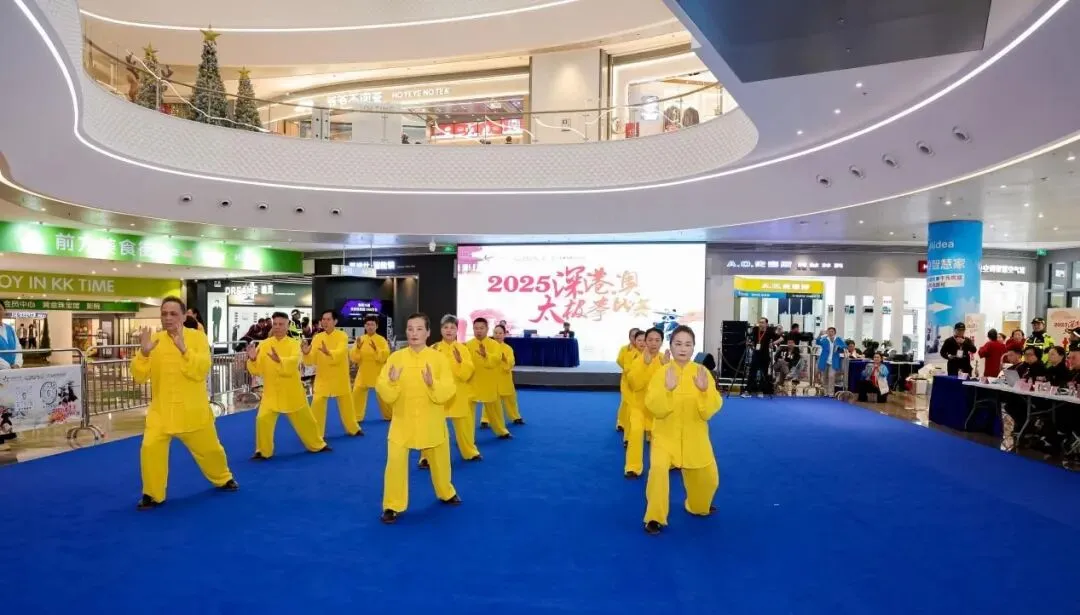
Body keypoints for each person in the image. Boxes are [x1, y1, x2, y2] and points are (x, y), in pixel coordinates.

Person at [131, 296, 237, 510]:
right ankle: (152, 494)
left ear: (183, 315)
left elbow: (201, 370)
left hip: (192, 410)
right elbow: (139, 376)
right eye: (164, 314)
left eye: (173, 314)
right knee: (150, 448)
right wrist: (143, 353)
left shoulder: (197, 338)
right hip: (161, 412)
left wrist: (184, 350)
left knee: (210, 450)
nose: (168, 318)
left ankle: (223, 478)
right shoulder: (154, 341)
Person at [376, 313, 461, 524]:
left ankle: (446, 492)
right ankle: (392, 505)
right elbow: (383, 389)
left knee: (440, 462)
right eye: (410, 329)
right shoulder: (396, 358)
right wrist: (392, 383)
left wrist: (432, 384)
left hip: (431, 420)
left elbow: (449, 390)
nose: (414, 333)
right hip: (402, 421)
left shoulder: (438, 359)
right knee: (395, 463)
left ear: (428, 332)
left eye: (419, 329)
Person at [642, 325, 721, 535]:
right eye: (678, 344)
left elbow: (709, 411)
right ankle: (654, 517)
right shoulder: (661, 373)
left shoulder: (702, 373)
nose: (683, 348)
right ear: (671, 346)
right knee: (658, 471)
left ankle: (696, 505)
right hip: (665, 436)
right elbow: (654, 407)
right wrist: (667, 390)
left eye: (688, 344)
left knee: (709, 479)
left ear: (694, 347)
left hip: (696, 437)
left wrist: (704, 391)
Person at [247, 312, 330, 460]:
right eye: (275, 324)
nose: (277, 327)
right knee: (262, 419)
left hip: (292, 391)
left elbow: (293, 363)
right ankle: (263, 451)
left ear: (287, 326)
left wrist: (280, 361)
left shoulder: (294, 344)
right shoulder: (264, 344)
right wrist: (253, 359)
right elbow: (257, 370)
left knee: (307, 420)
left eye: (281, 324)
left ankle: (318, 444)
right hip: (271, 392)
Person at [423, 315, 481, 464]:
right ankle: (426, 457)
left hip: (458, 392)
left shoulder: (463, 349)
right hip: (438, 393)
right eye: (445, 327)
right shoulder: (433, 348)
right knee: (432, 425)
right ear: (441, 330)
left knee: (464, 425)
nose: (449, 330)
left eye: (452, 328)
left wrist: (461, 362)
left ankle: (470, 452)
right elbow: (427, 371)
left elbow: (468, 373)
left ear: (457, 330)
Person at [303, 310, 362, 439]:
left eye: (328, 319)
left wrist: (328, 352)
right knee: (317, 404)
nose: (325, 322)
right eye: (323, 319)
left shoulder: (342, 336)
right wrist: (306, 353)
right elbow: (312, 359)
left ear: (335, 321)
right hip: (322, 377)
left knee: (347, 404)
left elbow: (341, 352)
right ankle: (317, 433)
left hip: (340, 377)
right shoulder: (317, 337)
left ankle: (353, 428)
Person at [625, 328, 666, 478]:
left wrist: (667, 368)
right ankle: (633, 467)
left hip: (658, 409)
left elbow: (671, 387)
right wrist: (645, 365)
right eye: (650, 340)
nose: (653, 343)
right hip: (639, 407)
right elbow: (634, 385)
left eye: (657, 340)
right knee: (636, 432)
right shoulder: (638, 360)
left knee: (662, 438)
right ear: (645, 341)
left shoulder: (665, 360)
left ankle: (668, 463)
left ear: (662, 342)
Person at [467, 318, 512, 439]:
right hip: (472, 382)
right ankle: (467, 438)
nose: (479, 331)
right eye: (476, 328)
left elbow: (496, 361)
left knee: (494, 410)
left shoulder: (494, 345)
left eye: (481, 328)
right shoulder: (468, 345)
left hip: (489, 382)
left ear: (487, 329)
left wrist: (486, 356)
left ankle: (501, 431)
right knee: (468, 413)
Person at [351, 315, 391, 422]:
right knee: (357, 393)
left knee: (383, 394)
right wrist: (358, 348)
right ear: (364, 326)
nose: (370, 327)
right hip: (363, 372)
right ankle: (356, 417)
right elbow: (354, 358)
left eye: (372, 324)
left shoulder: (381, 340)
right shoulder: (360, 339)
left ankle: (389, 415)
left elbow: (385, 355)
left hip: (378, 372)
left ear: (376, 326)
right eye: (368, 324)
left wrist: (376, 349)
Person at [493, 324, 525, 425]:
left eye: (500, 333)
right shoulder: (488, 347)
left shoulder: (508, 349)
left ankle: (515, 417)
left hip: (505, 377)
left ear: (504, 335)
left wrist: (505, 360)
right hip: (492, 378)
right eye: (496, 333)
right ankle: (485, 419)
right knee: (491, 400)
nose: (498, 335)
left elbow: (512, 362)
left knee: (510, 399)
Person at [615, 328, 642, 434]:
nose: (635, 338)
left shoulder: (644, 349)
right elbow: (619, 360)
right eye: (633, 336)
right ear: (629, 337)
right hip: (627, 381)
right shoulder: (625, 349)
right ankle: (621, 423)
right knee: (625, 402)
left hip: (640, 382)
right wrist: (627, 370)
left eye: (637, 336)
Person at [743, 318, 779, 397]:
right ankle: (748, 391)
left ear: (766, 324)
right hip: (756, 354)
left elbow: (781, 338)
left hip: (765, 355)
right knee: (752, 373)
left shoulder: (770, 331)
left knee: (764, 374)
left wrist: (773, 343)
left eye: (762, 322)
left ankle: (761, 391)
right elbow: (751, 337)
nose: (761, 324)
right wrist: (750, 343)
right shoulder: (755, 330)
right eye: (760, 322)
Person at [816, 327, 844, 395]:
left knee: (831, 376)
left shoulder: (838, 339)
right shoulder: (825, 339)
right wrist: (820, 334)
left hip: (833, 362)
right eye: (829, 331)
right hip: (824, 361)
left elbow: (844, 346)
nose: (830, 333)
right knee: (824, 377)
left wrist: (839, 347)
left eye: (832, 331)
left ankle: (831, 392)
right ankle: (826, 392)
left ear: (835, 332)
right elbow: (818, 342)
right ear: (827, 332)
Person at [0, 301, 24, 370]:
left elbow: (18, 347)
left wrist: (17, 364)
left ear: (4, 311)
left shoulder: (10, 329)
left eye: (0, 309)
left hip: (14, 370)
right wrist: (7, 367)